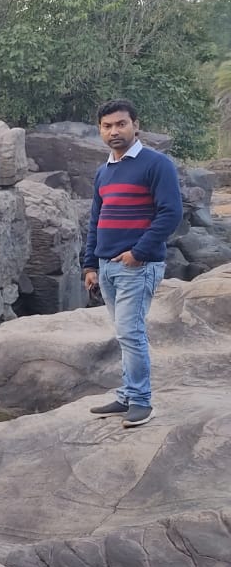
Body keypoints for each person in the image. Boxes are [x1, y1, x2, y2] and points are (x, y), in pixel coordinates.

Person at [82, 99, 182, 427]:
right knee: (125, 333)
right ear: (100, 130)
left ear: (136, 125)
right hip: (107, 266)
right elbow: (97, 218)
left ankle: (141, 401)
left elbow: (171, 213)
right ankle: (127, 394)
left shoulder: (157, 164)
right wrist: (90, 266)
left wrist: (138, 253)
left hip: (137, 266)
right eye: (107, 126)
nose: (114, 131)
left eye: (121, 124)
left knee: (131, 332)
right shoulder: (104, 171)